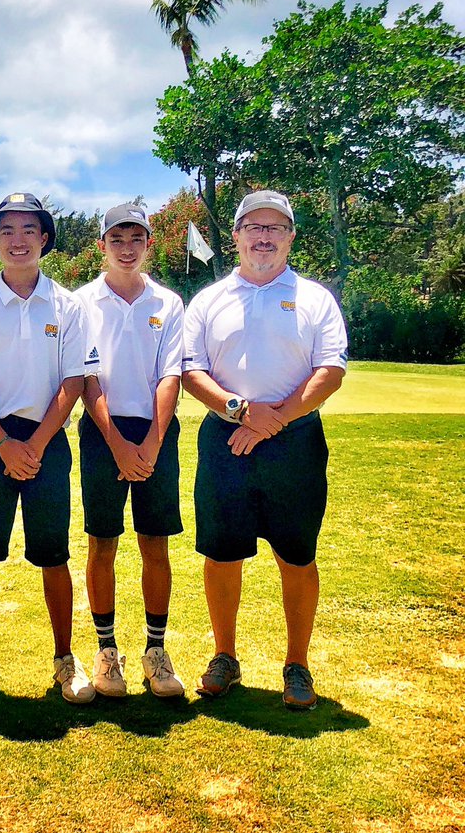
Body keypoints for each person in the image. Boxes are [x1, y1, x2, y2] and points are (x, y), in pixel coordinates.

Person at [182, 190, 348, 710]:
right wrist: (241, 411)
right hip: (225, 437)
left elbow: (331, 370)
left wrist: (272, 419)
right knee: (221, 554)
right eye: (253, 226)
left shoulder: (316, 297)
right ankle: (225, 657)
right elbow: (191, 371)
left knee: (296, 555)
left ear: (290, 236)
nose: (263, 236)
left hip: (295, 442)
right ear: (235, 236)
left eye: (275, 228)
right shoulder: (208, 301)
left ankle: (297, 664)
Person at [0, 192, 98, 701]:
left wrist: (32, 445)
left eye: (28, 230)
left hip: (46, 441)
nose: (18, 240)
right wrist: (4, 443)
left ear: (45, 239)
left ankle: (64, 659)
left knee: (54, 555)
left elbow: (74, 381)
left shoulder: (69, 306)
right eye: (7, 231)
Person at [75, 203, 186, 699]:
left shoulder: (168, 301)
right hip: (104, 433)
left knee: (154, 542)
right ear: (101, 245)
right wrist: (118, 444)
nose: (126, 247)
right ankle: (106, 651)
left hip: (156, 430)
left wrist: (152, 443)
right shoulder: (80, 304)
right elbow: (87, 378)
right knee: (103, 542)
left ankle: (155, 651)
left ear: (148, 244)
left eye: (135, 238)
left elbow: (171, 375)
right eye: (116, 238)